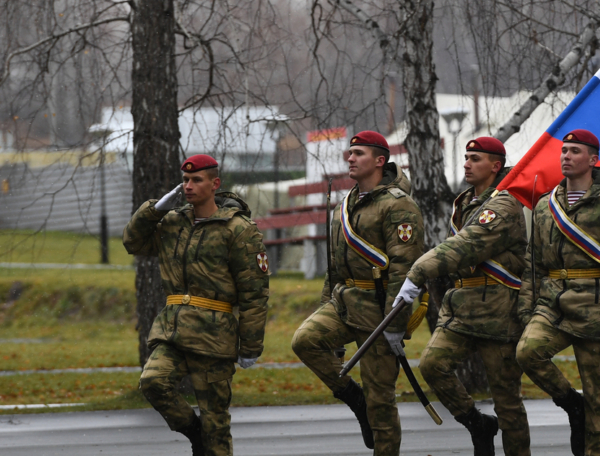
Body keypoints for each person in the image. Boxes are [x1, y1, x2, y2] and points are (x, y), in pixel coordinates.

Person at [392, 137, 531, 456]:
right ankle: (477, 423)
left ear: (495, 166)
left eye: (475, 158)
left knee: (508, 404)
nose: (466, 163)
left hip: (499, 313)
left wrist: (417, 271)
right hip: (463, 309)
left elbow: (464, 246)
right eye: (466, 157)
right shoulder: (465, 201)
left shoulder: (505, 203)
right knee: (432, 365)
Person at [124, 154, 269, 456]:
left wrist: (250, 346)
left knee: (216, 424)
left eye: (197, 180)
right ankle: (194, 433)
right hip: (173, 331)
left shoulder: (237, 229)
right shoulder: (173, 223)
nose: (188, 186)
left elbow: (254, 293)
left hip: (214, 336)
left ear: (215, 184)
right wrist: (153, 210)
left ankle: (207, 439)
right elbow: (132, 242)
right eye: (186, 180)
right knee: (153, 383)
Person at [515, 129, 600, 456]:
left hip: (596, 310)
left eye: (575, 151)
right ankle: (571, 404)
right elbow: (534, 262)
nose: (566, 156)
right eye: (564, 150)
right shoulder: (545, 205)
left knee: (598, 400)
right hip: (553, 304)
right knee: (527, 353)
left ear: (593, 160)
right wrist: (526, 308)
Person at [291, 131, 423, 456]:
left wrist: (396, 325)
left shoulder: (398, 204)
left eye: (358, 153)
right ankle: (354, 398)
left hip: (379, 311)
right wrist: (326, 305)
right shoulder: (344, 205)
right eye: (349, 153)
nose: (350, 158)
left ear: (380, 161)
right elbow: (334, 267)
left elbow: (404, 270)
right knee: (304, 341)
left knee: (381, 402)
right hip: (344, 302)